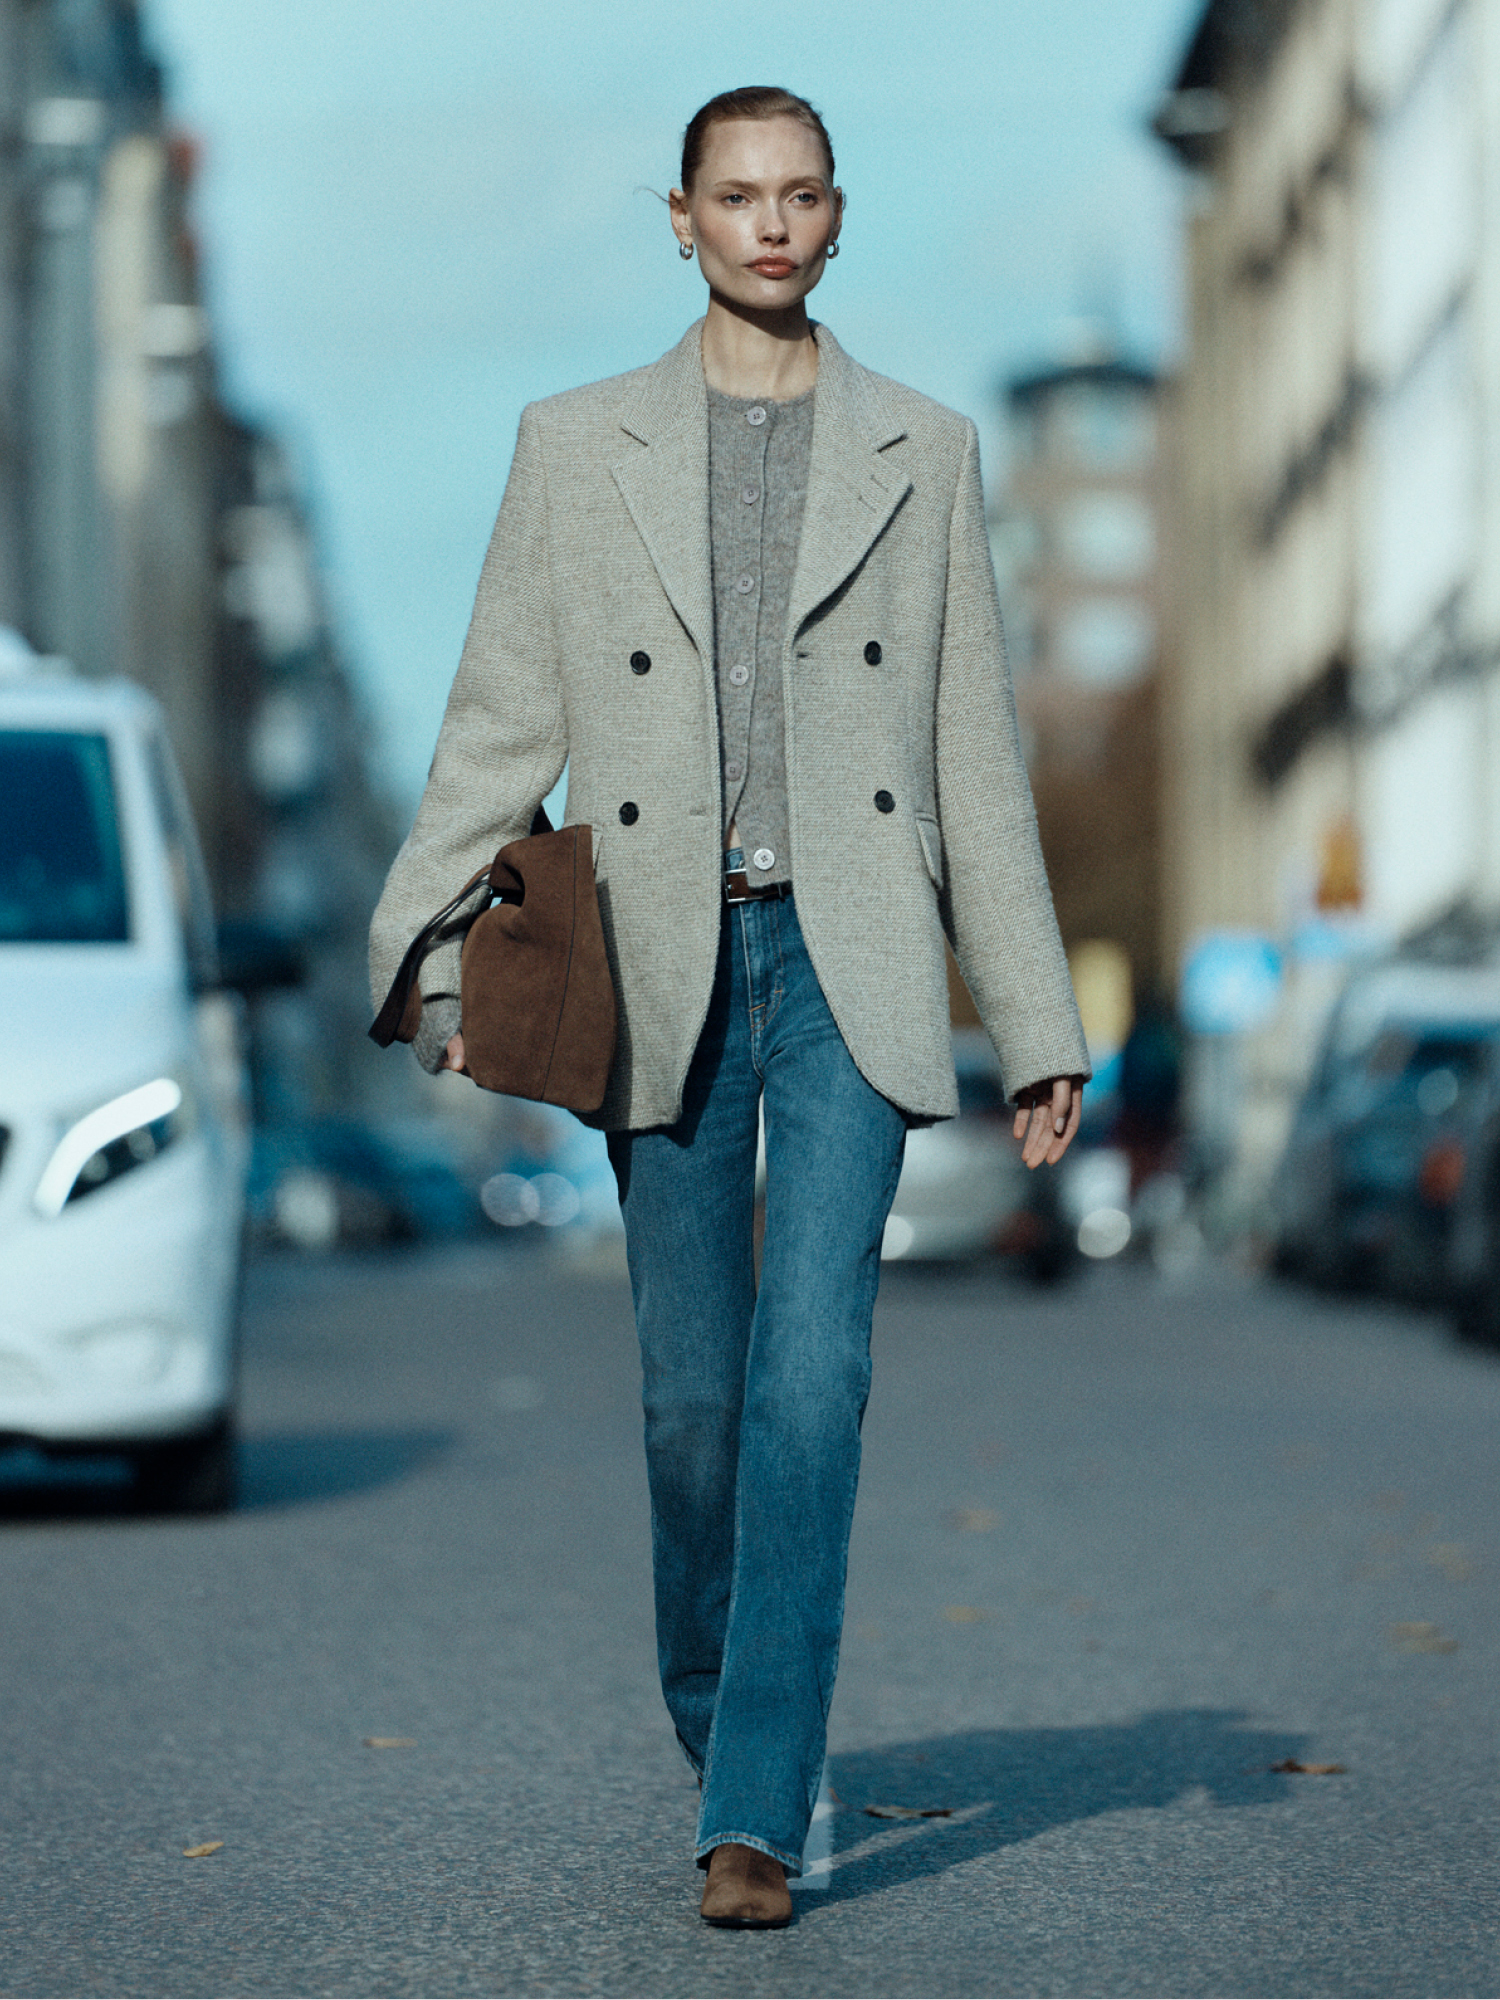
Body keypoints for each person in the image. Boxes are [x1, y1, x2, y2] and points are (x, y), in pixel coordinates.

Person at [369, 85, 1088, 1929]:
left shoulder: (923, 449)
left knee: (814, 1377)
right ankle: (724, 1716)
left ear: (838, 220)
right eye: (735, 197)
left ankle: (755, 1803)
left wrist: (1039, 1015)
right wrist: (437, 957)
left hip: (849, 956)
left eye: (801, 195)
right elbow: (498, 727)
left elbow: (968, 757)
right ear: (678, 220)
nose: (770, 225)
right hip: (660, 968)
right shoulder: (572, 443)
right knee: (693, 1407)